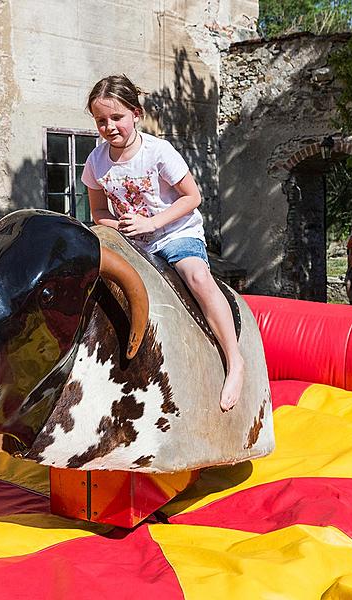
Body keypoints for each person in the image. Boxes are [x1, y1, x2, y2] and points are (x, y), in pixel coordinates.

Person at [80, 74, 244, 411]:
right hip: (133, 242)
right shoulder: (96, 162)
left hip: (173, 231)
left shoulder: (157, 152)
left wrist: (151, 222)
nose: (109, 127)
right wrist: (119, 225)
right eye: (101, 120)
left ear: (136, 114)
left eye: (117, 117)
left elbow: (192, 197)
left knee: (197, 276)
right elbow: (97, 210)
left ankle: (234, 359)